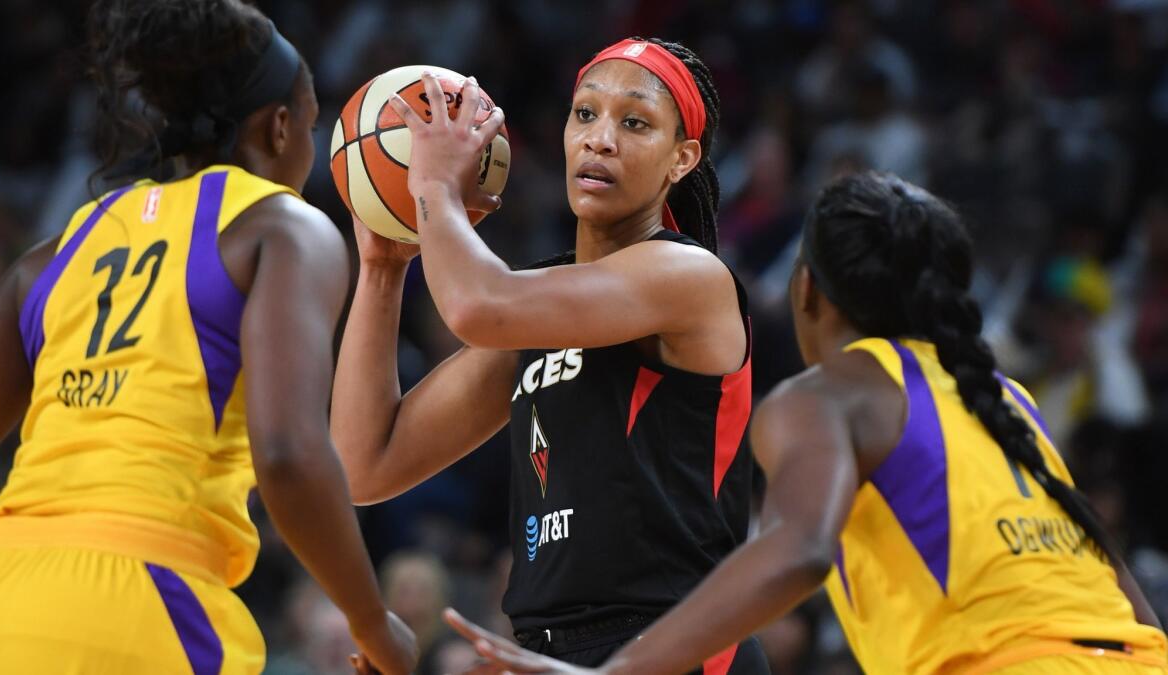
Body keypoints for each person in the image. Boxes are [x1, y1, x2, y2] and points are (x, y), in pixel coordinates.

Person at [445, 173, 1168, 674]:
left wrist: (620, 668)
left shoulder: (826, 394)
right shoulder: (1008, 399)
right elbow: (1128, 598)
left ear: (807, 290)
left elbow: (800, 550)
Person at [0, 1, 416, 673]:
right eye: (314, 127)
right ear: (282, 125)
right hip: (149, 599)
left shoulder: (56, 250)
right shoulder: (282, 228)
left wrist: (3, 540)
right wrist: (373, 622)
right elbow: (289, 453)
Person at [333, 38, 769, 673]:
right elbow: (364, 465)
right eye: (585, 114)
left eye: (635, 122)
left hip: (676, 644)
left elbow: (476, 305)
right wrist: (381, 270)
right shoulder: (539, 304)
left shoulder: (687, 276)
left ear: (682, 159)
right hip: (547, 650)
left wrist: (430, 185)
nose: (600, 139)